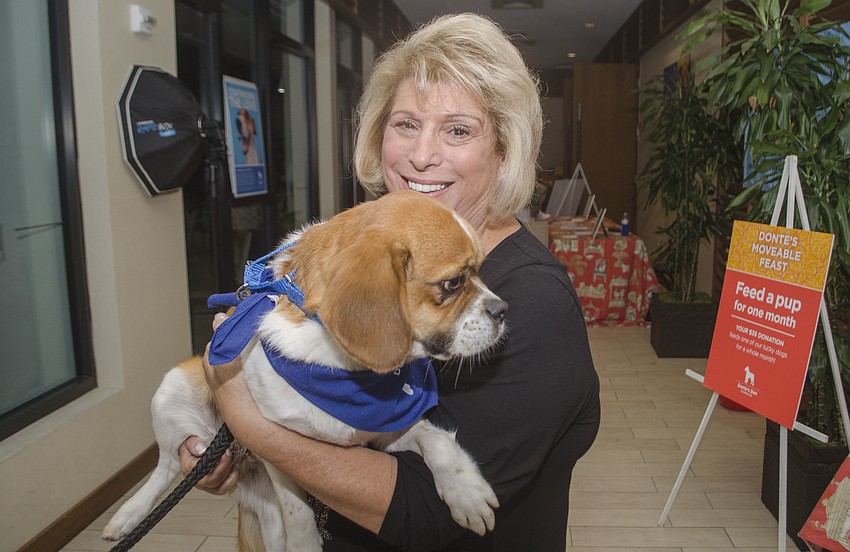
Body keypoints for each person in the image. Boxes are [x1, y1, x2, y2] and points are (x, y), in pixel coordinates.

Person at [180, 12, 600, 551]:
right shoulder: (377, 246)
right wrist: (236, 456)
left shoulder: (536, 305)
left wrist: (255, 429)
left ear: (504, 151)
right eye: (405, 124)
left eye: (457, 129)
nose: (422, 155)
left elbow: (426, 512)